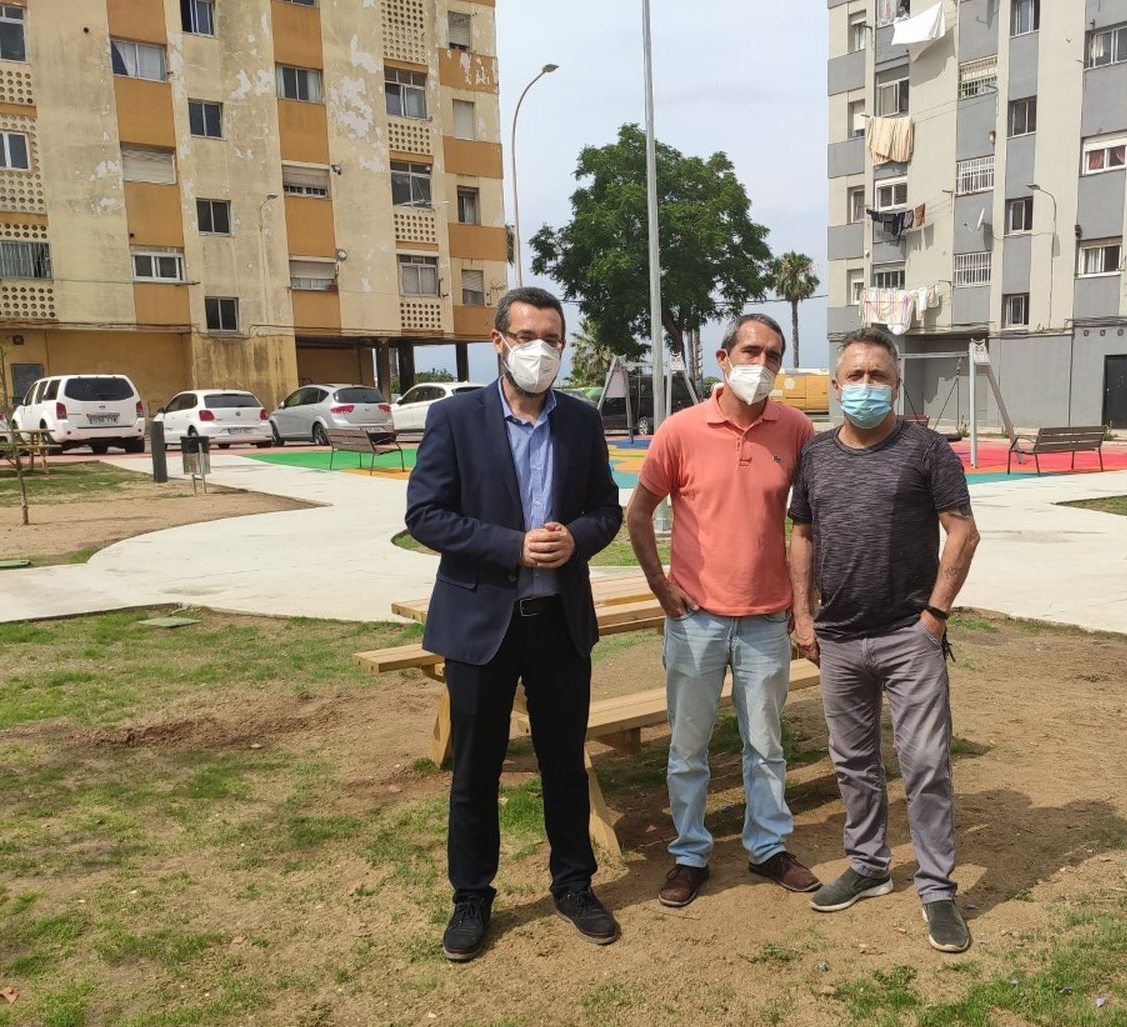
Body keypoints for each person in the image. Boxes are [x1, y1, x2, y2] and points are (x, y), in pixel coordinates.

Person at [405, 286, 623, 961]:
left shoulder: (581, 422)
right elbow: (425, 514)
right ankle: (472, 899)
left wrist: (576, 539)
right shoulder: (455, 418)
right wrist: (510, 545)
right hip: (480, 624)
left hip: (557, 621)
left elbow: (606, 510)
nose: (540, 350)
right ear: (496, 341)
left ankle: (574, 885)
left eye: (552, 338)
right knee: (476, 769)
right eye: (527, 336)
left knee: (564, 762)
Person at [787, 326, 981, 953]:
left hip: (908, 635)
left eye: (879, 375)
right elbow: (804, 535)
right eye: (855, 375)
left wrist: (935, 616)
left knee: (925, 765)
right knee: (854, 765)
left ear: (896, 385)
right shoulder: (814, 455)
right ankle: (868, 866)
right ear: (836, 385)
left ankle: (936, 889)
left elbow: (963, 533)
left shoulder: (926, 451)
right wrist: (803, 616)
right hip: (839, 639)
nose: (866, 385)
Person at [626, 314, 823, 908]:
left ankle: (767, 847)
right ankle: (690, 855)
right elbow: (637, 515)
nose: (760, 366)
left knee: (766, 744)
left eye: (772, 356)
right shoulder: (681, 431)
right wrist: (663, 589)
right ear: (722, 357)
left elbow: (808, 522)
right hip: (696, 620)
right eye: (750, 352)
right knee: (688, 746)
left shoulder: (796, 430)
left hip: (767, 619)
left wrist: (803, 603)